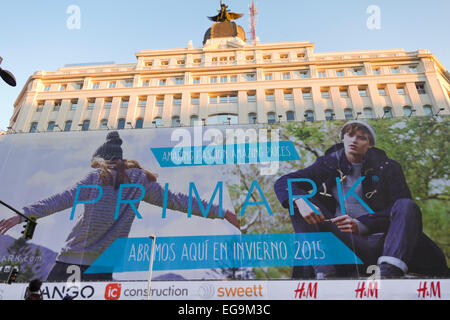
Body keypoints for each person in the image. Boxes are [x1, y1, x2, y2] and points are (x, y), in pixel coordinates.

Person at [0, 131, 239, 282]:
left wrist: (23, 215)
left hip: (73, 258)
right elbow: (178, 200)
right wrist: (223, 212)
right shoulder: (139, 180)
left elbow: (61, 199)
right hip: (102, 263)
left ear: (103, 161)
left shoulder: (95, 179)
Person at [274, 121, 449, 279]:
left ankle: (390, 271)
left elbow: (404, 211)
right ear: (343, 138)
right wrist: (299, 200)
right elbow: (284, 183)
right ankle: (325, 272)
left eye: (361, 137)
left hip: (384, 243)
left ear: (370, 144)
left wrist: (363, 224)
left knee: (406, 205)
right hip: (343, 245)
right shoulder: (326, 164)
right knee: (298, 200)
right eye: (350, 135)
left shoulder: (388, 168)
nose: (354, 140)